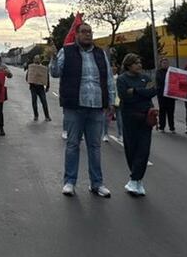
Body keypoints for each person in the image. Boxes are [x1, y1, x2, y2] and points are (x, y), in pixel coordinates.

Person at [50, 22, 115, 198]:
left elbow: (108, 78)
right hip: (75, 106)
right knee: (73, 145)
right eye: (84, 32)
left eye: (90, 32)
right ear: (77, 34)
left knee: (94, 146)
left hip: (96, 107)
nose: (88, 35)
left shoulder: (100, 53)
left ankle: (97, 183)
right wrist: (54, 57)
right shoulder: (67, 51)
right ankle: (70, 182)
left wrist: (111, 101)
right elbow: (55, 73)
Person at [116, 53, 156, 196]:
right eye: (136, 62)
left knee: (144, 149)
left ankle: (134, 179)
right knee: (131, 149)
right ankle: (137, 181)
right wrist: (142, 94)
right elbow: (125, 97)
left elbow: (152, 91)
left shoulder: (146, 77)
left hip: (146, 118)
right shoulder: (122, 79)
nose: (139, 65)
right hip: (130, 118)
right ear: (128, 65)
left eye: (140, 62)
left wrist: (136, 91)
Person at [26, 55, 51, 122]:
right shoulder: (31, 68)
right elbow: (27, 77)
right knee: (34, 102)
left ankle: (47, 116)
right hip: (33, 88)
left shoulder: (43, 68)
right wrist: (31, 81)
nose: (37, 60)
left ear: (40, 60)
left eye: (38, 59)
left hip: (41, 88)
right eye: (35, 59)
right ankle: (36, 116)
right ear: (33, 60)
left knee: (44, 102)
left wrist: (47, 86)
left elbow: (46, 77)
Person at [153, 58, 176, 133]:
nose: (165, 64)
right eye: (164, 63)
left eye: (166, 63)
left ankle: (172, 127)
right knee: (162, 111)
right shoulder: (159, 72)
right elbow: (161, 80)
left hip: (170, 95)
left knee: (171, 112)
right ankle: (162, 127)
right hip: (162, 95)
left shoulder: (172, 72)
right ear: (161, 64)